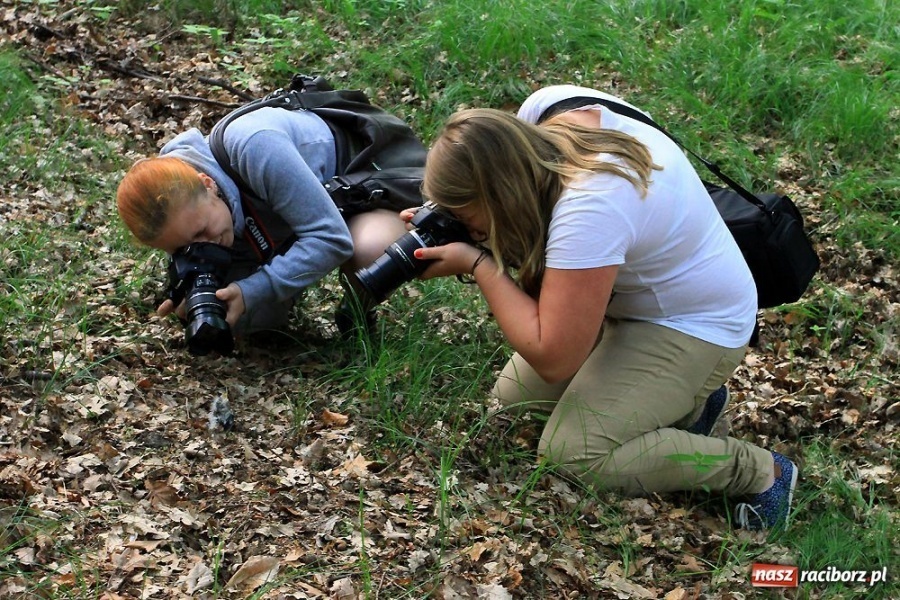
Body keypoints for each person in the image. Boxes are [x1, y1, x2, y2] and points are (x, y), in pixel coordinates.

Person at [407, 85, 798, 531]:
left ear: (501, 195)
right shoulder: (547, 112)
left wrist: (479, 264)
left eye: (468, 215)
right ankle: (687, 409)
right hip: (622, 296)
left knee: (576, 456)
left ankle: (759, 471)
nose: (468, 227)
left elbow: (555, 356)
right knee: (512, 410)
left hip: (695, 325)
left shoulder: (592, 206)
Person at [116, 103, 410, 338]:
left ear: (207, 184)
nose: (206, 246)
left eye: (202, 232)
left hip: (364, 182)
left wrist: (254, 288)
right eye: (183, 248)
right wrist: (192, 286)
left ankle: (358, 310)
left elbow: (331, 239)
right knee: (245, 321)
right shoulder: (193, 206)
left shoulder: (255, 148)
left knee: (369, 252)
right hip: (283, 214)